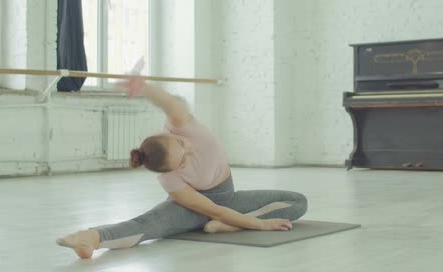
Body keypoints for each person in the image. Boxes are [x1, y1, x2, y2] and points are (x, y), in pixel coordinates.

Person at [56, 77, 308, 259]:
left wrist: (143, 87)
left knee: (297, 201)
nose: (188, 148)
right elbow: (213, 209)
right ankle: (91, 238)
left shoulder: (182, 124)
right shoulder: (169, 180)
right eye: (183, 159)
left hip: (228, 198)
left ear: (170, 133)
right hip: (195, 206)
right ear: (169, 170)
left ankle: (231, 225)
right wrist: (261, 225)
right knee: (149, 223)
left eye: (180, 143)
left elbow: (167, 101)